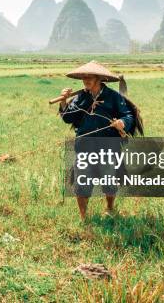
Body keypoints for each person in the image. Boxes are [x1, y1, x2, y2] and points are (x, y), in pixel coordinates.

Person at [58, 60, 135, 220]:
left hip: (108, 145)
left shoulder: (113, 97)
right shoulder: (80, 98)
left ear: (99, 78)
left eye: (90, 76)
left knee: (109, 179)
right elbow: (68, 118)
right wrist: (64, 101)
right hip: (84, 146)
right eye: (84, 77)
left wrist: (122, 123)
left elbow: (128, 115)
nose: (86, 79)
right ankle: (83, 217)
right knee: (82, 182)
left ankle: (109, 207)